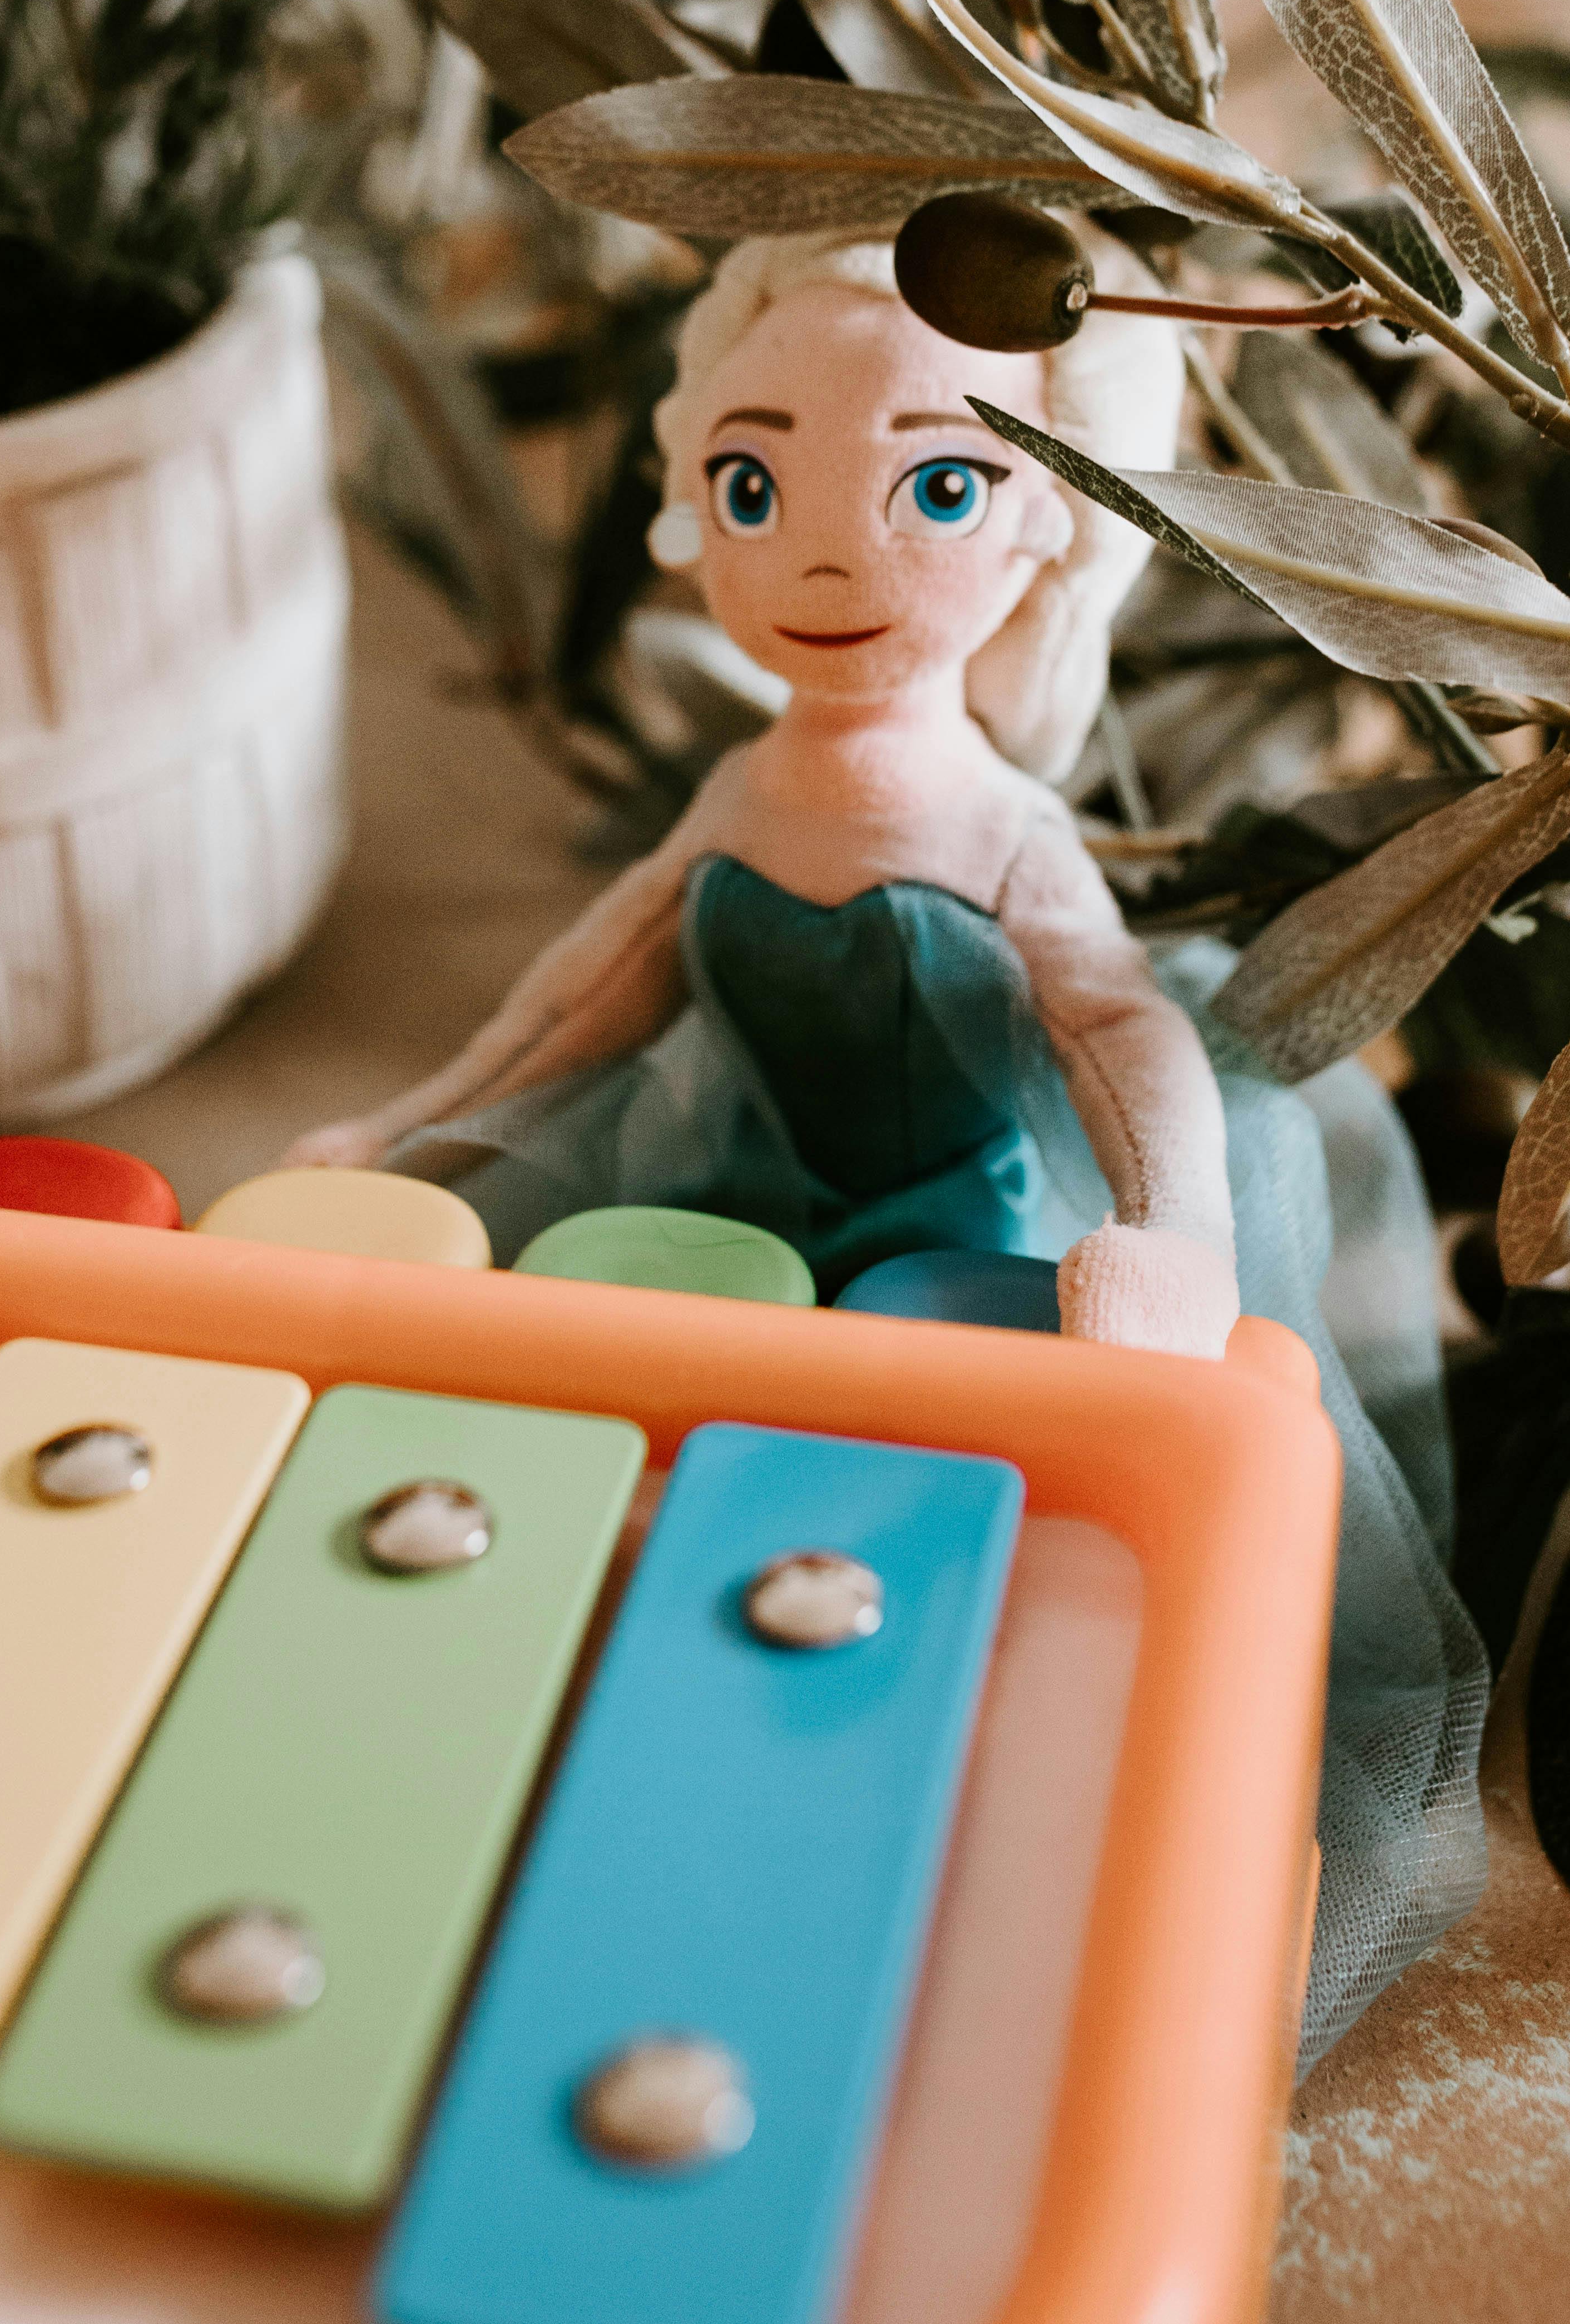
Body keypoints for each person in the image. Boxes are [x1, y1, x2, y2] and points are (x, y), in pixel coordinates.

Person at [288, 228, 1487, 2066]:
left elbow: (1111, 1021)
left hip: (968, 1239)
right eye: (756, 485)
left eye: (938, 484)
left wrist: (1170, 1219)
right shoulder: (743, 790)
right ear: (697, 491)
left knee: (979, 1602)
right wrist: (405, 1126)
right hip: (715, 1202)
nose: (830, 554)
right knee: (569, 1491)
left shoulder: (998, 825)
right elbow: (582, 996)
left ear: (1039, 531)